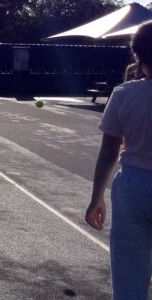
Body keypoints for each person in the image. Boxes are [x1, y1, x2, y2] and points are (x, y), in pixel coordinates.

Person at [85, 20, 152, 299]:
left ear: (138, 56)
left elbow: (109, 151)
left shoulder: (124, 94)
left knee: (129, 277)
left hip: (134, 186)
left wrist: (96, 197)